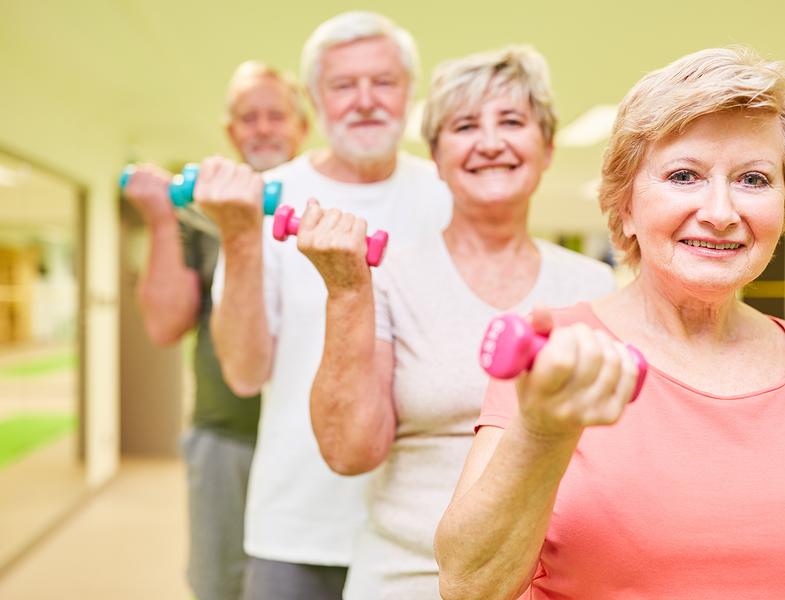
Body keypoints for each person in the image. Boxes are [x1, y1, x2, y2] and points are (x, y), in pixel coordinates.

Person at [434, 46, 785, 600]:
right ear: (624, 207)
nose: (722, 212)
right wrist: (544, 430)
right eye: (684, 175)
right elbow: (469, 585)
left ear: (783, 206)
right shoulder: (556, 357)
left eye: (754, 179)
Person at [296, 46, 617, 599]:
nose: (490, 142)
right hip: (405, 574)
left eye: (512, 121)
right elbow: (349, 452)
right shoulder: (388, 275)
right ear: (438, 158)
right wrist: (348, 290)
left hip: (551, 581)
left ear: (546, 148)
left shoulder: (596, 287)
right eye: (465, 126)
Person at [193, 11, 453, 600]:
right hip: (296, 528)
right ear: (316, 98)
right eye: (343, 85)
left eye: (383, 82)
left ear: (409, 92)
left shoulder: (447, 197)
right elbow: (243, 371)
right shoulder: (262, 201)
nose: (365, 100)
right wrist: (238, 235)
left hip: (424, 526)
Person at [121, 61, 306, 600]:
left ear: (302, 126)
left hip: (311, 440)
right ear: (231, 133)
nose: (264, 128)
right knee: (220, 585)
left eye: (277, 115)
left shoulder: (325, 204)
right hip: (227, 435)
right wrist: (161, 217)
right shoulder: (201, 211)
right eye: (249, 117)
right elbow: (164, 324)